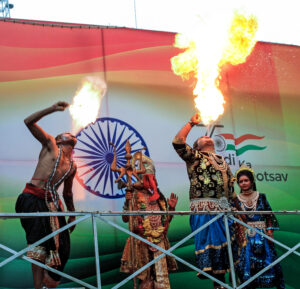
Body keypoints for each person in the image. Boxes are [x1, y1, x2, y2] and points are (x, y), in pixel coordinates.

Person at [172, 113, 243, 289]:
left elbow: (232, 192)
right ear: (197, 146)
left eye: (207, 136)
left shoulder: (223, 162)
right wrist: (191, 123)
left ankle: (232, 284)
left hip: (226, 213)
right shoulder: (195, 158)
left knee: (230, 252)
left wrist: (241, 215)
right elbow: (178, 142)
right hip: (206, 212)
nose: (206, 137)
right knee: (214, 249)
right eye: (202, 138)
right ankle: (218, 286)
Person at [15, 101, 77, 289]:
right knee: (39, 245)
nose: (72, 133)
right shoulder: (51, 145)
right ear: (59, 139)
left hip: (51, 204)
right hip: (31, 199)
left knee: (63, 246)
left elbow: (67, 193)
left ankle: (49, 284)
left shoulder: (72, 166)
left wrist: (72, 214)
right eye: (67, 133)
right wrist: (52, 109)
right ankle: (37, 287)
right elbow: (28, 121)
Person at [121, 152, 178, 289]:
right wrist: (127, 202)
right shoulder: (133, 194)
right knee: (145, 280)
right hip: (140, 242)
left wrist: (171, 208)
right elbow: (125, 219)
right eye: (145, 178)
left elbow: (166, 221)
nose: (148, 181)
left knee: (160, 280)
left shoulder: (159, 196)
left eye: (151, 178)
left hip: (159, 242)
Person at [236, 165, 285, 289]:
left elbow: (269, 216)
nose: (243, 183)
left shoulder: (261, 197)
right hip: (245, 238)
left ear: (252, 181)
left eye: (246, 180)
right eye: (240, 181)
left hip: (263, 237)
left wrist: (269, 232)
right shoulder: (235, 200)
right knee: (246, 267)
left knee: (268, 264)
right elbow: (233, 220)